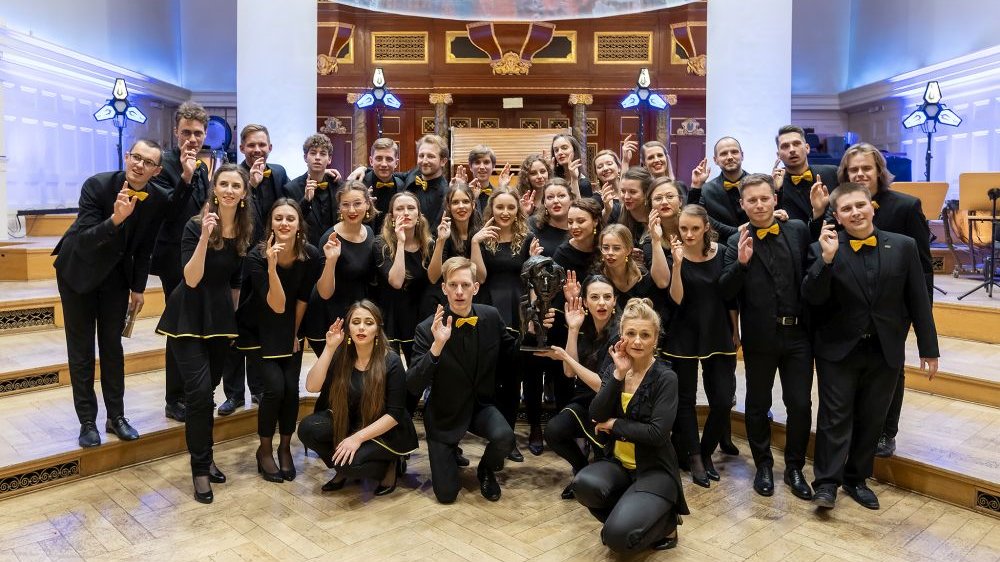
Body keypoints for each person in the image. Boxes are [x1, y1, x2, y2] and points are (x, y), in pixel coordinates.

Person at [803, 182, 939, 510]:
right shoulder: (823, 247)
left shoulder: (904, 246)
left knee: (872, 417)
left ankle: (856, 478)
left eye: (859, 206)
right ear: (836, 215)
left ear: (871, 207)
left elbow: (918, 299)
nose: (855, 213)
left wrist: (928, 347)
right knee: (834, 417)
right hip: (838, 349)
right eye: (846, 209)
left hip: (885, 349)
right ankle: (826, 483)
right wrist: (827, 259)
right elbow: (812, 297)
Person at [54, 139, 167, 447]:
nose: (139, 165)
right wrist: (116, 219)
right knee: (81, 351)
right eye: (136, 157)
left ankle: (116, 416)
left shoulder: (157, 199)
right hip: (77, 272)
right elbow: (86, 240)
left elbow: (145, 247)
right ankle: (87, 422)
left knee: (112, 348)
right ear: (128, 156)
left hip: (115, 278)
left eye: (148, 162)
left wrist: (139, 287)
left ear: (156, 171)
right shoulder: (97, 185)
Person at [155, 163, 255, 504]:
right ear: (215, 189)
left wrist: (231, 321)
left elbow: (236, 281)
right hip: (187, 316)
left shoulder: (243, 231)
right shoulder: (196, 225)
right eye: (223, 184)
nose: (229, 190)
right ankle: (200, 468)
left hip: (219, 320)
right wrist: (202, 239)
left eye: (235, 185)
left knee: (207, 390)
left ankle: (206, 455)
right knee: (198, 393)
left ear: (243, 194)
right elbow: (192, 278)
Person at [719, 173, 814, 500]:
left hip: (799, 334)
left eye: (764, 198)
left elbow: (813, 271)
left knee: (800, 404)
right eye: (752, 200)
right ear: (743, 205)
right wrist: (742, 265)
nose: (759, 205)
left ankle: (794, 468)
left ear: (775, 199)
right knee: (758, 404)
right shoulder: (735, 242)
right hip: (760, 336)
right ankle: (762, 464)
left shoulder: (798, 230)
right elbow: (726, 292)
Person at [837, 143, 934, 458]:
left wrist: (921, 316)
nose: (861, 174)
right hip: (854, 307)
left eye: (866, 168)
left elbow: (922, 267)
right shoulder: (842, 205)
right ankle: (857, 427)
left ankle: (886, 432)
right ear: (846, 174)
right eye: (854, 169)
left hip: (895, 307)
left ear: (878, 170)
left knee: (893, 368)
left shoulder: (906, 207)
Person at [572, 298, 689, 553]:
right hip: (619, 466)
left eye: (645, 335)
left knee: (617, 540)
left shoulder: (666, 378)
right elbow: (595, 413)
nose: (637, 341)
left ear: (655, 340)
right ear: (621, 336)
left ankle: (668, 522)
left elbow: (657, 434)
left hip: (655, 470)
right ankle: (627, 515)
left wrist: (614, 424)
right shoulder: (616, 368)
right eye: (631, 334)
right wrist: (617, 375)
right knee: (583, 485)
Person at [406, 257, 519, 503]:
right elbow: (413, 384)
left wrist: (533, 332)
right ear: (444, 288)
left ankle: (486, 469)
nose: (459, 291)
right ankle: (449, 452)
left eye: (465, 285)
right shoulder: (426, 329)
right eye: (453, 285)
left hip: (480, 405)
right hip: (444, 413)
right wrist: (437, 346)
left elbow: (512, 356)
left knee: (505, 437)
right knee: (446, 496)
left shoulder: (490, 316)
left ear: (475, 288)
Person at [236, 198, 323, 482]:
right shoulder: (256, 256)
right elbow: (275, 304)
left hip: (289, 328)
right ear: (270, 223)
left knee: (290, 389)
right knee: (273, 389)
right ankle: (264, 450)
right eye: (278, 218)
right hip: (258, 328)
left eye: (290, 218)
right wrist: (272, 268)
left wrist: (295, 335)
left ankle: (285, 448)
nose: (284, 223)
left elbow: (301, 300)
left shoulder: (309, 255)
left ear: (299, 225)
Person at [298, 301, 419, 495]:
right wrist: (329, 348)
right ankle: (343, 466)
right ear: (348, 328)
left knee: (350, 465)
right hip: (353, 423)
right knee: (308, 429)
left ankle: (390, 464)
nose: (361, 327)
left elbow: (394, 415)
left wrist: (356, 438)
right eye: (356, 322)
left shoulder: (392, 361)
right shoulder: (341, 355)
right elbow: (312, 386)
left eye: (368, 322)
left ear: (378, 330)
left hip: (386, 431)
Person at [661, 205, 738, 488]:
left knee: (721, 399)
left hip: (718, 331)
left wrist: (735, 328)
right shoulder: (675, 254)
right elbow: (676, 298)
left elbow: (730, 294)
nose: (689, 234)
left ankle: (706, 452)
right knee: (685, 401)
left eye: (695, 228)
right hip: (684, 333)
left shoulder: (722, 251)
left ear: (706, 226)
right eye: (684, 229)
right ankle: (694, 457)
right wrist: (678, 265)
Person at [218, 124, 291, 415]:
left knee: (260, 326)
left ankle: (259, 389)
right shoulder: (233, 177)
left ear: (270, 147)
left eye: (262, 144)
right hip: (236, 260)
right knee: (233, 328)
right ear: (242, 148)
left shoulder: (280, 172)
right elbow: (245, 216)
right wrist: (254, 186)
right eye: (251, 145)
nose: (257, 150)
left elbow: (288, 204)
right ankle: (233, 393)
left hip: (265, 260)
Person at [150, 101, 212, 423]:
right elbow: (167, 214)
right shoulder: (164, 165)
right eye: (186, 132)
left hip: (197, 254)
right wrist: (185, 178)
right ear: (176, 131)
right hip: (173, 257)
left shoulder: (203, 167)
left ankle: (191, 393)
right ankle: (174, 399)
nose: (192, 138)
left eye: (198, 133)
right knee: (179, 328)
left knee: (194, 327)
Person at [471, 188, 541, 462]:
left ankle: (509, 438)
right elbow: (482, 276)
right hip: (488, 309)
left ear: (518, 210)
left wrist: (533, 317)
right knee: (491, 377)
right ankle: (494, 434)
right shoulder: (482, 238)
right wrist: (475, 244)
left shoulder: (528, 238)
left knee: (513, 380)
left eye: (510, 207)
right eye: (499, 207)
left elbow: (532, 279)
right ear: (491, 209)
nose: (504, 212)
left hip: (518, 310)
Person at [538, 276, 620, 499]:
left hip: (612, 404)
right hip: (586, 399)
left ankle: (592, 477)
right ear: (585, 302)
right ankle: (582, 470)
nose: (601, 303)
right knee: (554, 431)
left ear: (614, 302)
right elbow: (568, 372)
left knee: (607, 471)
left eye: (607, 297)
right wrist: (572, 330)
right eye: (594, 297)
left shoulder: (619, 334)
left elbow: (604, 387)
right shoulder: (584, 326)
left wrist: (565, 356)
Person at [300, 181, 377, 357]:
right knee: (334, 377)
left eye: (357, 203)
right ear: (339, 208)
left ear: (367, 203)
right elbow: (324, 293)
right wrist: (331, 261)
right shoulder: (330, 238)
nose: (352, 210)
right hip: (327, 316)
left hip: (354, 313)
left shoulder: (369, 232)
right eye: (346, 204)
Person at [374, 192, 433, 413]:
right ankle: (387, 418)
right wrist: (400, 242)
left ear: (419, 215)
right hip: (389, 315)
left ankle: (404, 417)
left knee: (417, 375)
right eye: (399, 209)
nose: (405, 213)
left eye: (410, 208)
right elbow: (396, 281)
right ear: (391, 216)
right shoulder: (380, 244)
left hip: (416, 318)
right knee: (387, 375)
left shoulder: (429, 243)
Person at [426, 181, 483, 314]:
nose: (461, 206)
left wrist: (475, 243)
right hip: (441, 301)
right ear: (448, 206)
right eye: (455, 202)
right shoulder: (440, 233)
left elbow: (480, 278)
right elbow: (433, 277)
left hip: (473, 300)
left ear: (473, 205)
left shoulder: (480, 234)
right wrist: (440, 241)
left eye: (465, 201)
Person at [284, 133, 342, 247]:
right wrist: (305, 200)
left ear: (329, 159)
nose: (317, 157)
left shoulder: (338, 185)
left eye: (323, 154)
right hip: (305, 251)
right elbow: (289, 223)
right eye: (313, 153)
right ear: (305, 157)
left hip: (336, 248)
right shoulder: (291, 188)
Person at [773, 125, 838, 223]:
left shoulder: (832, 173)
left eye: (796, 144)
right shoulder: (772, 186)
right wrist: (777, 190)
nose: (792, 150)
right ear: (778, 155)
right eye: (785, 146)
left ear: (807, 148)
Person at [691, 136, 750, 242]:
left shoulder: (759, 184)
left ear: (742, 155)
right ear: (715, 160)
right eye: (723, 154)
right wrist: (696, 186)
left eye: (734, 152)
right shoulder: (706, 190)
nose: (730, 157)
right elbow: (693, 215)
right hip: (721, 248)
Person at [402, 134, 450, 226]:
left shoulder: (445, 193)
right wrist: (365, 170)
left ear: (443, 161)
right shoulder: (414, 173)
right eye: (421, 156)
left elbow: (436, 229)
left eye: (430, 156)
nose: (424, 161)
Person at [364, 137, 404, 234]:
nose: (384, 164)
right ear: (371, 161)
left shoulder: (402, 185)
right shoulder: (359, 184)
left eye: (389, 159)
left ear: (396, 163)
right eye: (379, 158)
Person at [551, 133, 593, 198]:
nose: (559, 153)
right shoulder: (553, 177)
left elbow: (582, 207)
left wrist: (574, 179)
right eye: (556, 150)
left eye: (564, 148)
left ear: (574, 151)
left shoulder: (584, 183)